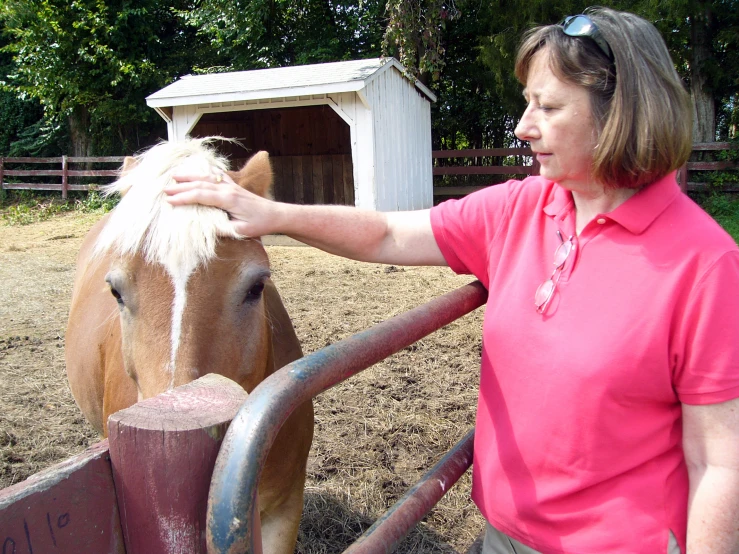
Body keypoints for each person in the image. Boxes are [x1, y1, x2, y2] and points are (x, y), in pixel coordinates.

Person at [164, 7, 739, 553]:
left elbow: (721, 463)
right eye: (526, 103)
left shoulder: (703, 265)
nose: (523, 126)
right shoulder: (520, 209)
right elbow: (387, 233)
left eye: (549, 107)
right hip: (504, 533)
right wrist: (274, 215)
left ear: (620, 113)